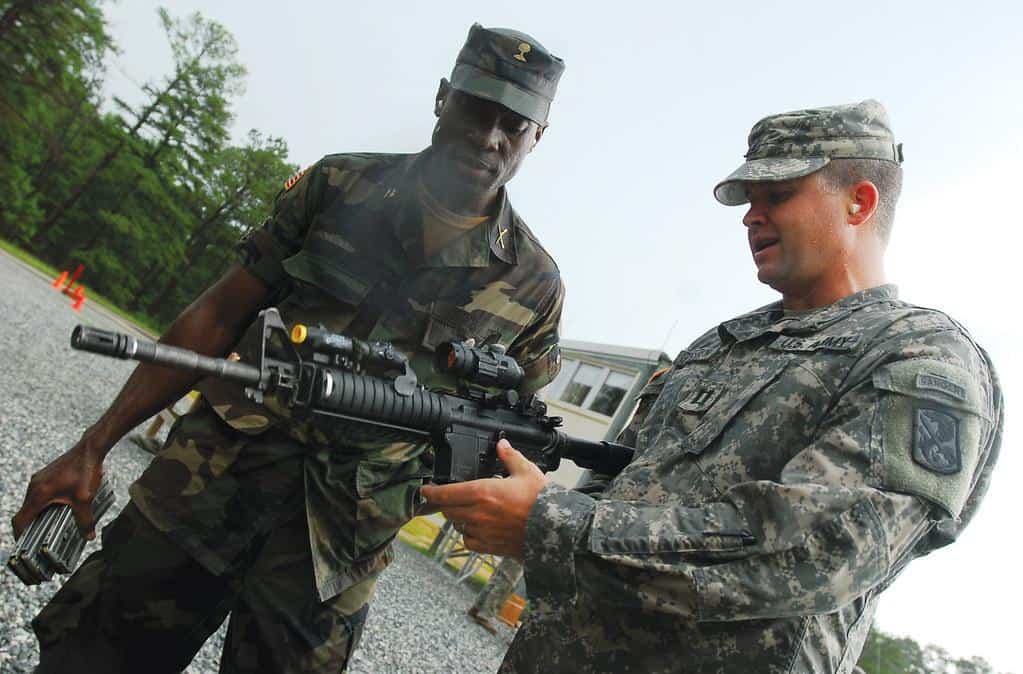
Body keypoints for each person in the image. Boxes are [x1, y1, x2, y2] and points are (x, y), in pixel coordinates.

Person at [12, 23, 566, 674]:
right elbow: (218, 314)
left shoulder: (532, 284)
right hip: (203, 487)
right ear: (444, 97)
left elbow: (513, 434)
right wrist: (93, 444)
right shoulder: (338, 186)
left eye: (514, 122)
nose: (489, 135)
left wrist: (463, 474)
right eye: (477, 107)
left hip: (335, 550)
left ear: (537, 136)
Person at [422, 100, 1003, 673]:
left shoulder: (920, 355)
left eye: (779, 196)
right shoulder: (719, 344)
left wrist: (550, 525)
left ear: (860, 200)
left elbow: (820, 549)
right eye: (750, 201)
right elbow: (617, 481)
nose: (751, 216)